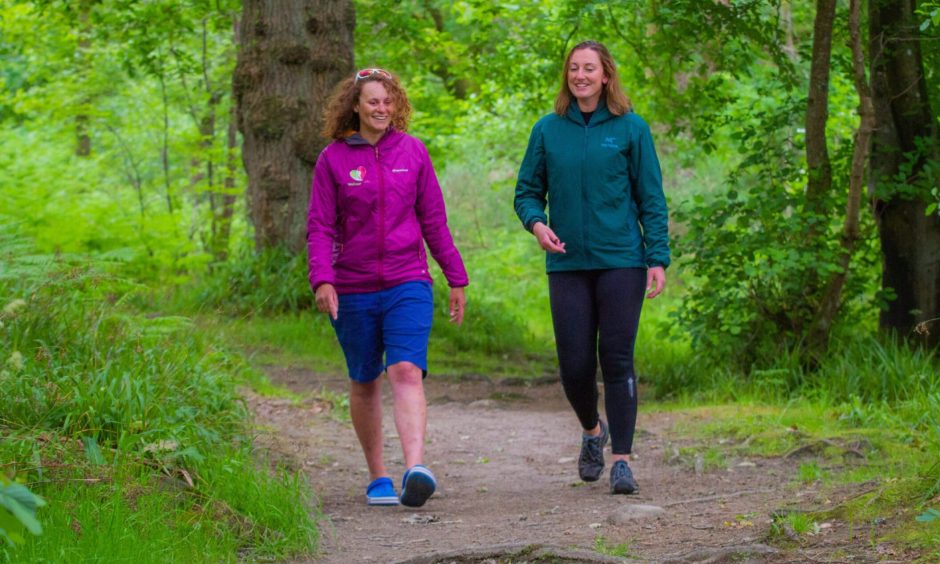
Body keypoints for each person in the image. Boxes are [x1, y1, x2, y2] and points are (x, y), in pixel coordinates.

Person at [513, 41, 670, 495]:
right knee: (575, 366)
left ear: (606, 76)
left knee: (617, 358)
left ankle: (622, 460)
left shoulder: (630, 129)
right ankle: (591, 432)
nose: (580, 75)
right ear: (567, 76)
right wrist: (537, 224)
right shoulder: (547, 130)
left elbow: (651, 198)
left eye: (589, 68)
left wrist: (656, 256)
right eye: (574, 68)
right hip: (567, 264)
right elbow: (527, 191)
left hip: (622, 259)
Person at [307, 67, 468, 507]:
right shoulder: (333, 159)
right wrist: (322, 278)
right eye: (372, 101)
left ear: (396, 105)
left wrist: (456, 276)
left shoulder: (413, 152)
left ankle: (415, 468)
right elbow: (320, 226)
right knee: (364, 379)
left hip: (407, 280)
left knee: (405, 370)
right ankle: (378, 476)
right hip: (353, 285)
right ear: (355, 105)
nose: (381, 108)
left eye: (388, 101)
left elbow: (434, 221)